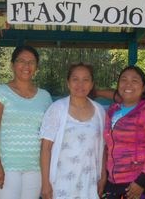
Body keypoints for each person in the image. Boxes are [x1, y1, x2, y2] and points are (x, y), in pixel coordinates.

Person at [0, 45, 52, 199]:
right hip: (7, 167)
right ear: (12, 65)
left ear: (36, 67)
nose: (26, 66)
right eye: (21, 61)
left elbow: (48, 136)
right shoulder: (0, 92)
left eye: (31, 62)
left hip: (35, 168)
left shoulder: (45, 97)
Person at [40, 63, 106, 199]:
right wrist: (45, 183)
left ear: (92, 84)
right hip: (61, 184)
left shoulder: (100, 111)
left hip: (89, 182)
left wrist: (103, 176)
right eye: (75, 79)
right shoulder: (57, 109)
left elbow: (103, 148)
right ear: (68, 83)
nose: (80, 84)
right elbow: (45, 148)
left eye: (85, 80)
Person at [103, 66, 145, 199]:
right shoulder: (113, 110)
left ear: (143, 87)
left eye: (135, 80)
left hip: (137, 186)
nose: (128, 84)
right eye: (124, 80)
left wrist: (142, 181)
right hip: (114, 184)